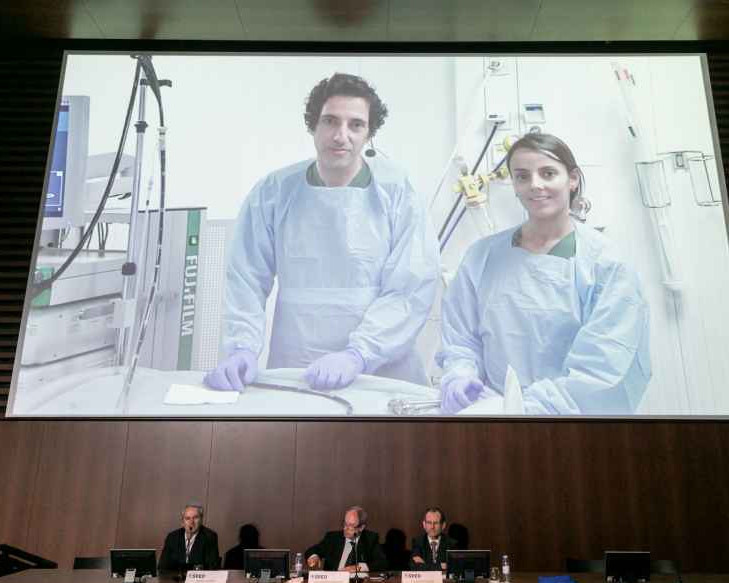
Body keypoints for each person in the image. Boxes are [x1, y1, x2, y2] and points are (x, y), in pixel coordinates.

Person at [205, 72, 439, 392]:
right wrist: (242, 348)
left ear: (369, 133)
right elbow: (245, 278)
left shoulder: (398, 192)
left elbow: (410, 288)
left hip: (381, 369)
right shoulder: (274, 192)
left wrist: (359, 354)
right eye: (330, 121)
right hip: (297, 360)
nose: (341, 136)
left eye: (356, 125)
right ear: (313, 125)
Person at [436, 132, 651, 415]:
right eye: (522, 176)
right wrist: (461, 376)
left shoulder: (607, 265)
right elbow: (461, 338)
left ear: (572, 179)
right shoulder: (482, 257)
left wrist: (528, 409)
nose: (535, 185)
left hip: (571, 422)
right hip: (493, 413)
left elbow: (604, 367)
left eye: (548, 173)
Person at [305, 506, 388, 573]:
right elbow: (312, 550)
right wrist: (314, 557)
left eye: (351, 525)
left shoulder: (370, 539)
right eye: (345, 524)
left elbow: (382, 563)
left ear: (361, 527)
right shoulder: (333, 538)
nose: (345, 528)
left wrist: (359, 567)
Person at [158, 504, 221, 572]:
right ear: (182, 522)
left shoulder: (210, 537)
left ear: (201, 520)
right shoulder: (172, 537)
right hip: (175, 577)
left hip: (198, 578)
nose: (191, 522)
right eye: (187, 518)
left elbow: (212, 567)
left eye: (195, 518)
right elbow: (162, 566)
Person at [410, 507, 457, 571]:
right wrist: (440, 566)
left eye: (436, 523)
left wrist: (425, 565)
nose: (432, 527)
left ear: (443, 525)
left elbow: (453, 568)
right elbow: (415, 567)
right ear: (424, 525)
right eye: (429, 523)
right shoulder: (418, 542)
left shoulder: (451, 544)